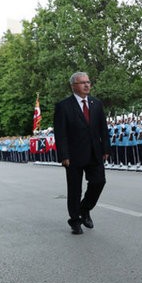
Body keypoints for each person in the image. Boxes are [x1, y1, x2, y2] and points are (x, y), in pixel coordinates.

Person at [54, 72, 110, 235]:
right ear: (73, 86)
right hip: (73, 155)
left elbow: (103, 129)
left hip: (95, 152)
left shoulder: (96, 103)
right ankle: (75, 220)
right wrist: (64, 155)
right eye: (82, 83)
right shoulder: (63, 106)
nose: (87, 85)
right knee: (74, 189)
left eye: (88, 82)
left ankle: (84, 209)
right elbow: (60, 133)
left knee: (99, 182)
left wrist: (106, 148)